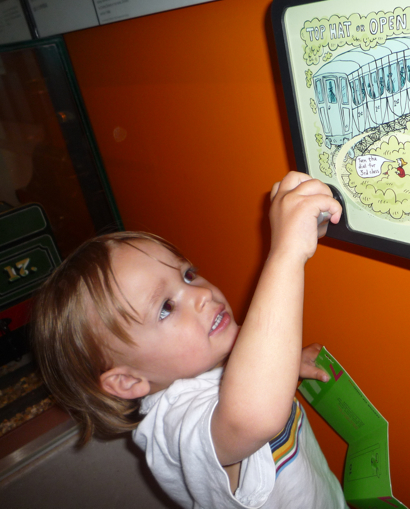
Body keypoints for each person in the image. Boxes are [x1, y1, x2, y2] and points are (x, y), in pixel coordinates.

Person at [31, 172, 346, 508]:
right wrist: (286, 253)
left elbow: (254, 374)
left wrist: (286, 364)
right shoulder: (175, 426)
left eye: (187, 275)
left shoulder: (208, 360)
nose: (201, 294)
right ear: (128, 380)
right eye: (166, 308)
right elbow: (253, 419)